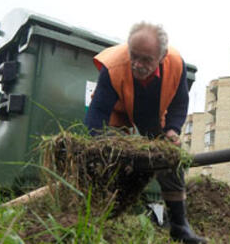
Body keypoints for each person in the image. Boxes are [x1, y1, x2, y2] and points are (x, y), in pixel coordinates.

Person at [85, 22, 207, 244]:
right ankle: (96, 222)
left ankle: (180, 228)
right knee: (109, 162)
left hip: (152, 116)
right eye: (134, 56)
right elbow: (97, 113)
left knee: (170, 159)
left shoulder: (176, 64)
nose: (138, 65)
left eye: (146, 60)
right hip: (117, 113)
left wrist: (172, 130)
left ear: (161, 57)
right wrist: (104, 146)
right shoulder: (113, 67)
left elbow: (179, 103)